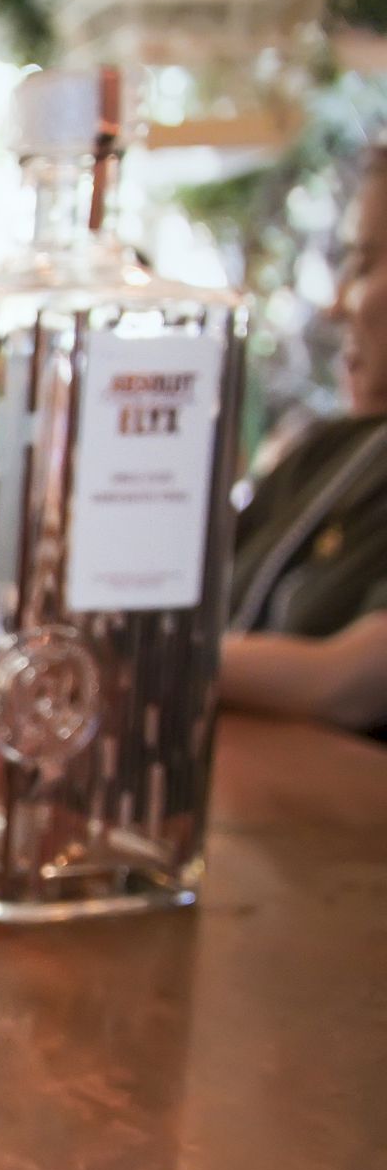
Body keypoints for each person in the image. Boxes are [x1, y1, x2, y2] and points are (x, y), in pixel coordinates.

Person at [221, 146, 387, 738]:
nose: (337, 304)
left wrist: (132, 656)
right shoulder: (325, 451)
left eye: (364, 265)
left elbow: (349, 685)